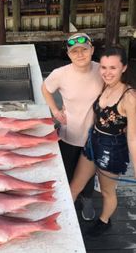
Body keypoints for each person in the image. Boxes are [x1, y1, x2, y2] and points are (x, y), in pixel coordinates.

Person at [70, 45, 136, 236]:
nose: (107, 73)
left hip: (112, 149)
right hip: (93, 142)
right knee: (75, 186)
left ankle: (104, 220)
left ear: (123, 68)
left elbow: (132, 137)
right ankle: (58, 220)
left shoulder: (129, 97)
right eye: (104, 67)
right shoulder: (105, 85)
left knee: (107, 192)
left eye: (113, 68)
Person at [41, 33, 104, 221]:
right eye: (74, 51)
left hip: (95, 135)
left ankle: (87, 198)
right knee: (68, 169)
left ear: (92, 50)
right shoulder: (60, 74)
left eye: (84, 50)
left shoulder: (102, 70)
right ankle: (67, 201)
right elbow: (45, 88)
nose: (80, 54)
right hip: (69, 133)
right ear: (68, 54)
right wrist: (54, 109)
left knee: (89, 173)